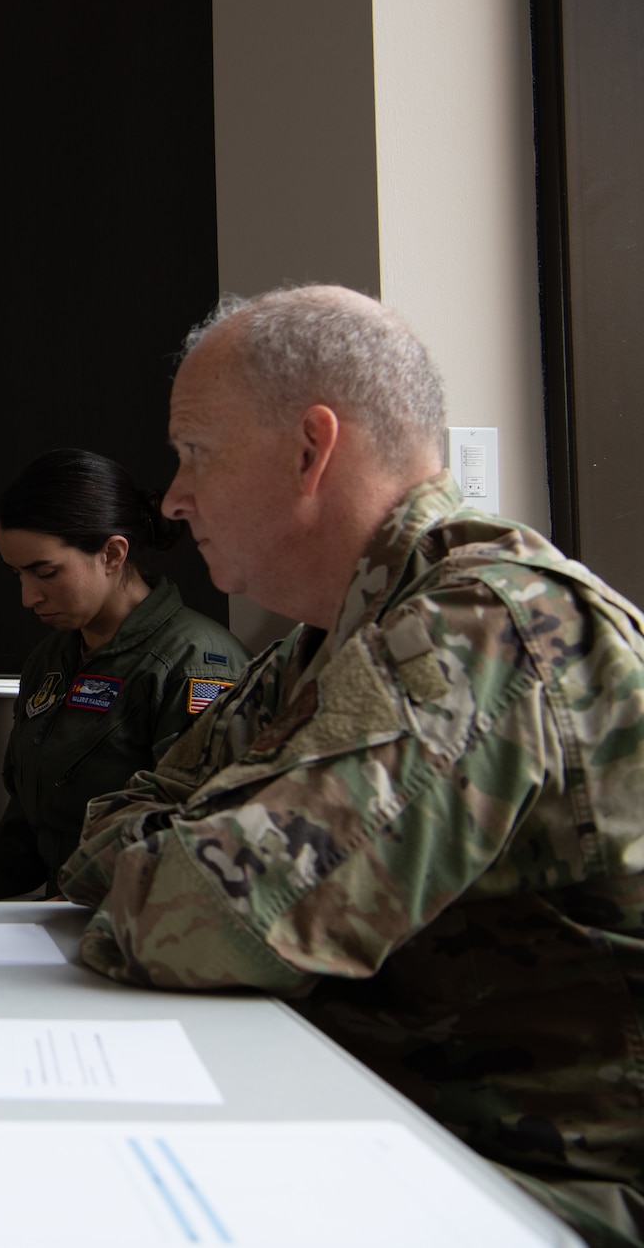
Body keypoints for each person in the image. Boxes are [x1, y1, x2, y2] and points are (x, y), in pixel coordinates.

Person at [58, 285, 644, 1248]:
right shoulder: (329, 639)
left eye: (195, 453)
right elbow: (115, 829)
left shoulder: (483, 630)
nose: (172, 497)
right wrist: (171, 859)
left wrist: (176, 862)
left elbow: (214, 921)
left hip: (544, 1186)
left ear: (309, 450)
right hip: (392, 1120)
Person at [0, 449, 248, 901]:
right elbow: (36, 833)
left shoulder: (198, 666)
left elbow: (201, 847)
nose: (28, 596)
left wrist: (77, 906)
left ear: (112, 554)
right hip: (62, 926)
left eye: (45, 572)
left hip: (143, 931)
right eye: (17, 574)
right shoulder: (52, 660)